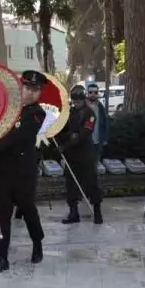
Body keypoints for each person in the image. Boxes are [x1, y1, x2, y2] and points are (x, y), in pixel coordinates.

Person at [0, 70, 49, 274]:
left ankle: (37, 243)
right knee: (1, 215)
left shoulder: (37, 113)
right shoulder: (2, 109)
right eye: (28, 87)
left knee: (28, 210)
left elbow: (18, 135)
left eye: (36, 89)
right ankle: (2, 256)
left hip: (22, 173)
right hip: (0, 171)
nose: (31, 93)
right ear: (21, 87)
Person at [56, 85, 104, 224]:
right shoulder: (69, 113)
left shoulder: (90, 114)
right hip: (72, 156)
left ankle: (97, 212)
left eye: (79, 100)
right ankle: (73, 213)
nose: (76, 103)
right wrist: (61, 136)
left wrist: (67, 142)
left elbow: (84, 133)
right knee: (71, 185)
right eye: (74, 100)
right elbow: (62, 130)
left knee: (91, 184)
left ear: (84, 99)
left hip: (86, 155)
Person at [85, 83, 109, 155]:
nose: (93, 94)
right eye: (90, 92)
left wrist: (105, 138)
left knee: (95, 163)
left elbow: (105, 122)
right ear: (87, 93)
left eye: (95, 92)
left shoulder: (100, 106)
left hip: (97, 142)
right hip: (85, 142)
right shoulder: (82, 106)